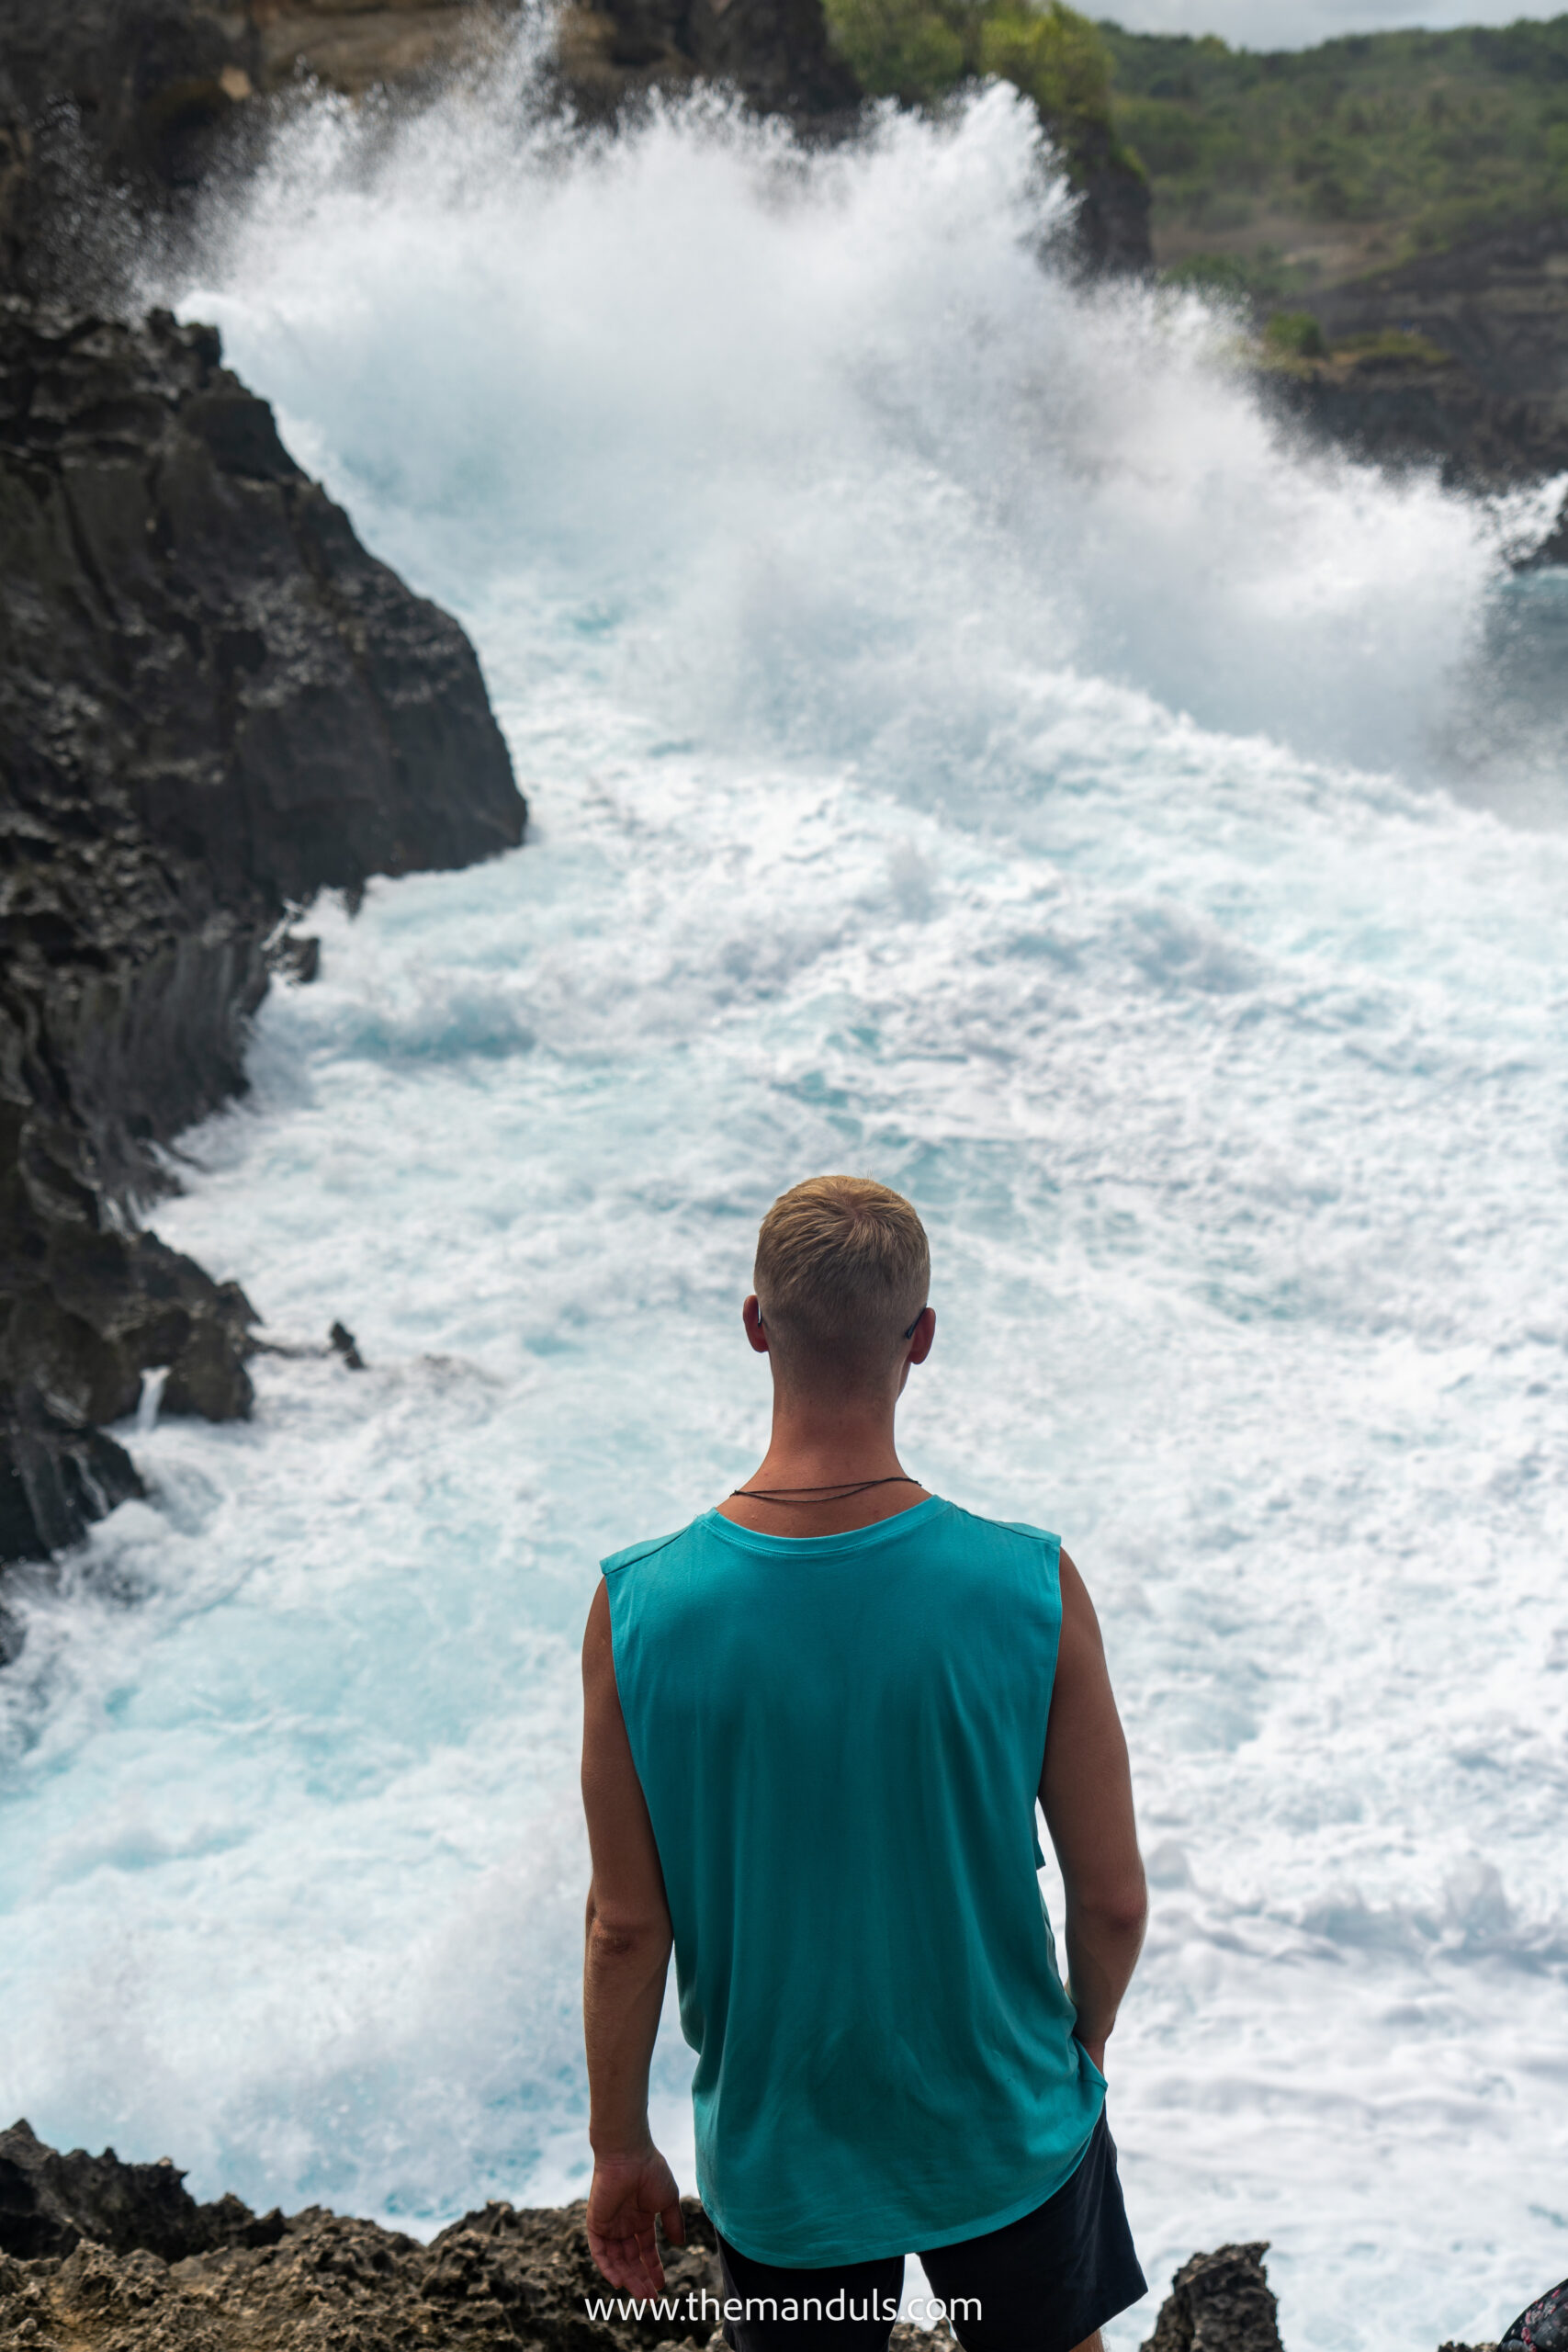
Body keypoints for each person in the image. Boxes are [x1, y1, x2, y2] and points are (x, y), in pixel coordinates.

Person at [580, 1175, 1148, 2352]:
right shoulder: (1029, 1586)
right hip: (1007, 2118)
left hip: (786, 2152)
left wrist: (619, 2143)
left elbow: (627, 1927)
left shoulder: (640, 1610)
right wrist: (1076, 2053)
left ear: (754, 1325)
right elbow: (1112, 1899)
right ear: (921, 1339)